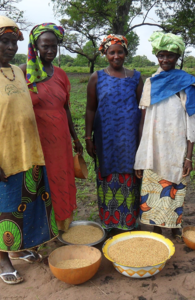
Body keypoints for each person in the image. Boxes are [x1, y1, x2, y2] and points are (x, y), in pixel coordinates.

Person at [0, 16, 58, 284]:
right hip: (4, 156)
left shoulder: (17, 71)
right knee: (5, 209)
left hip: (29, 152)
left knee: (27, 204)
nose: (10, 47)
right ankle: (4, 260)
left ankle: (22, 247)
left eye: (13, 42)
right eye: (4, 41)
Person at [134, 32, 195, 242]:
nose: (165, 60)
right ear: (157, 56)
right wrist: (141, 154)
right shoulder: (151, 82)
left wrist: (189, 156)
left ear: (177, 57)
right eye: (161, 55)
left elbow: (192, 121)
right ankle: (156, 227)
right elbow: (143, 120)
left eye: (170, 55)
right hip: (154, 146)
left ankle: (174, 226)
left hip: (177, 146)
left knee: (175, 188)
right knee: (154, 189)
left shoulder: (186, 83)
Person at [20, 23, 82, 232]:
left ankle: (62, 224)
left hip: (60, 138)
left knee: (61, 179)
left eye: (54, 46)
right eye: (45, 46)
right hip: (37, 140)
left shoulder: (61, 74)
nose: (50, 51)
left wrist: (75, 138)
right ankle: (42, 229)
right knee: (40, 182)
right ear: (35, 46)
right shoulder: (24, 71)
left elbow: (66, 109)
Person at [85, 34, 143, 232]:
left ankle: (129, 222)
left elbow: (142, 109)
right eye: (112, 52)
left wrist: (142, 141)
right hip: (105, 139)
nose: (116, 56)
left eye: (120, 52)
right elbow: (90, 109)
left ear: (126, 53)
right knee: (107, 174)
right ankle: (110, 223)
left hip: (130, 139)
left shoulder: (136, 77)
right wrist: (87, 137)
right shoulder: (97, 77)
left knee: (131, 175)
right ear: (105, 54)